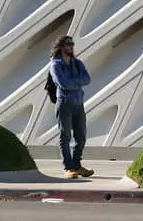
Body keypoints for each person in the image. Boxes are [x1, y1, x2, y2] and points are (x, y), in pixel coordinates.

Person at [49, 35, 94, 179]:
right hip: (65, 104)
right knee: (65, 136)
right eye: (68, 44)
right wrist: (77, 83)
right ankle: (68, 168)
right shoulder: (55, 64)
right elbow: (63, 84)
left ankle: (77, 165)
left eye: (72, 44)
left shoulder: (77, 63)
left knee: (81, 137)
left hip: (78, 103)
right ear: (61, 47)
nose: (71, 46)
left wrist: (73, 82)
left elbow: (87, 79)